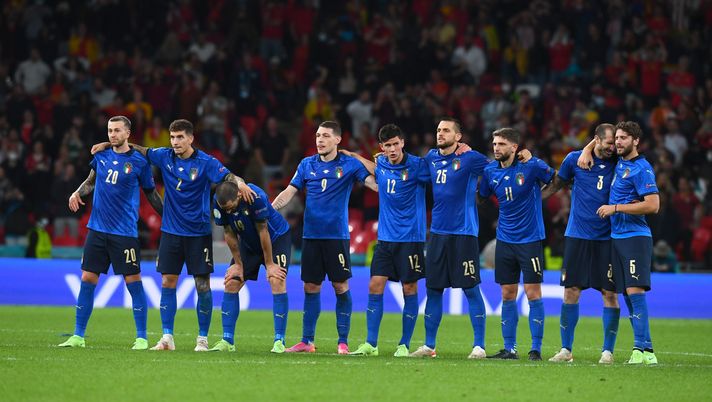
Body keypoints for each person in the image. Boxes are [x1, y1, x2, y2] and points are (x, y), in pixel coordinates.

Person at [91, 119, 254, 352]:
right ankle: (167, 338)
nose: (175, 142)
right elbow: (137, 149)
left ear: (190, 138)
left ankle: (202, 339)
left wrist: (242, 183)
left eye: (179, 137)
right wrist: (108, 144)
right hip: (170, 232)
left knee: (202, 285)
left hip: (198, 233)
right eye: (172, 137)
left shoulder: (206, 162)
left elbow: (228, 176)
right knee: (168, 282)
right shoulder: (164, 156)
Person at [271, 121, 377, 354]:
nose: (320, 140)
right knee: (310, 286)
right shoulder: (307, 164)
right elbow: (289, 191)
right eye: (318, 135)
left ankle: (343, 342)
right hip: (311, 236)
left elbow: (375, 183)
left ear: (337, 140)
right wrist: (269, 210)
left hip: (336, 237)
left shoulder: (349, 164)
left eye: (326, 136)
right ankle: (307, 341)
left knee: (340, 285)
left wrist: (359, 157)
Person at [58, 115, 163, 349]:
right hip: (97, 229)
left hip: (124, 233)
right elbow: (90, 181)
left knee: (133, 281)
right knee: (87, 278)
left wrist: (167, 216)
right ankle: (78, 336)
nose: (112, 134)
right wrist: (77, 193)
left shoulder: (139, 162)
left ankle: (142, 338)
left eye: (117, 131)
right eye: (109, 130)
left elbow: (151, 193)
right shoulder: (101, 156)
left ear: (128, 133)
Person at [342, 124, 429, 357]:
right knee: (375, 285)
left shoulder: (418, 166)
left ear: (402, 142)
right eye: (387, 145)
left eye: (395, 144)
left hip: (410, 239)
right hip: (385, 240)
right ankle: (371, 343)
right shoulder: (381, 163)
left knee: (409, 288)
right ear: (382, 147)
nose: (392, 149)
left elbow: (441, 173)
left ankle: (404, 344)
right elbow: (374, 167)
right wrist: (353, 155)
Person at [409, 118, 490, 359]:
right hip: (437, 234)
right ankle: (429, 345)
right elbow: (409, 169)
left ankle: (479, 346)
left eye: (446, 130)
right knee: (433, 289)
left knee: (471, 289)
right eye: (438, 130)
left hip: (463, 234)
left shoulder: (470, 158)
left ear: (458, 136)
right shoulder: (431, 158)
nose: (440, 133)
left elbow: (496, 169)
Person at [543, 123, 621, 364]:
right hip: (577, 235)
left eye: (614, 143)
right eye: (608, 143)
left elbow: (632, 150)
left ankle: (607, 351)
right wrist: (534, 200)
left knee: (609, 293)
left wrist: (588, 147)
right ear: (597, 140)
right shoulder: (574, 160)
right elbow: (556, 184)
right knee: (571, 290)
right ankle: (566, 349)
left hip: (607, 237)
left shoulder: (618, 161)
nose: (613, 147)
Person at [478, 127, 555, 361]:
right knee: (508, 293)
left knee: (533, 293)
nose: (496, 148)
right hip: (504, 241)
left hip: (530, 240)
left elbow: (554, 178)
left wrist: (535, 161)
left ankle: (535, 349)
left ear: (514, 147)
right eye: (494, 144)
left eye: (501, 144)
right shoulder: (490, 170)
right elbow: (482, 195)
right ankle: (509, 348)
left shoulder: (530, 166)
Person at [595, 121, 660, 365]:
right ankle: (647, 350)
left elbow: (653, 205)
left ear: (636, 141)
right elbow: (597, 144)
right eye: (617, 138)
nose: (619, 142)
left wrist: (616, 208)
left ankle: (640, 349)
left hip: (635, 237)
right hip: (617, 239)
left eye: (624, 138)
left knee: (635, 291)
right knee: (627, 295)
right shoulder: (620, 163)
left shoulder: (642, 168)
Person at [209, 181, 290, 353]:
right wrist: (238, 264)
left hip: (275, 240)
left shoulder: (256, 197)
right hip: (249, 243)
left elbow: (263, 231)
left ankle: (279, 340)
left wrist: (269, 264)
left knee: (276, 280)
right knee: (232, 282)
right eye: (226, 209)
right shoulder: (219, 202)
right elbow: (229, 233)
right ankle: (227, 340)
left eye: (231, 207)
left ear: (238, 195)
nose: (229, 211)